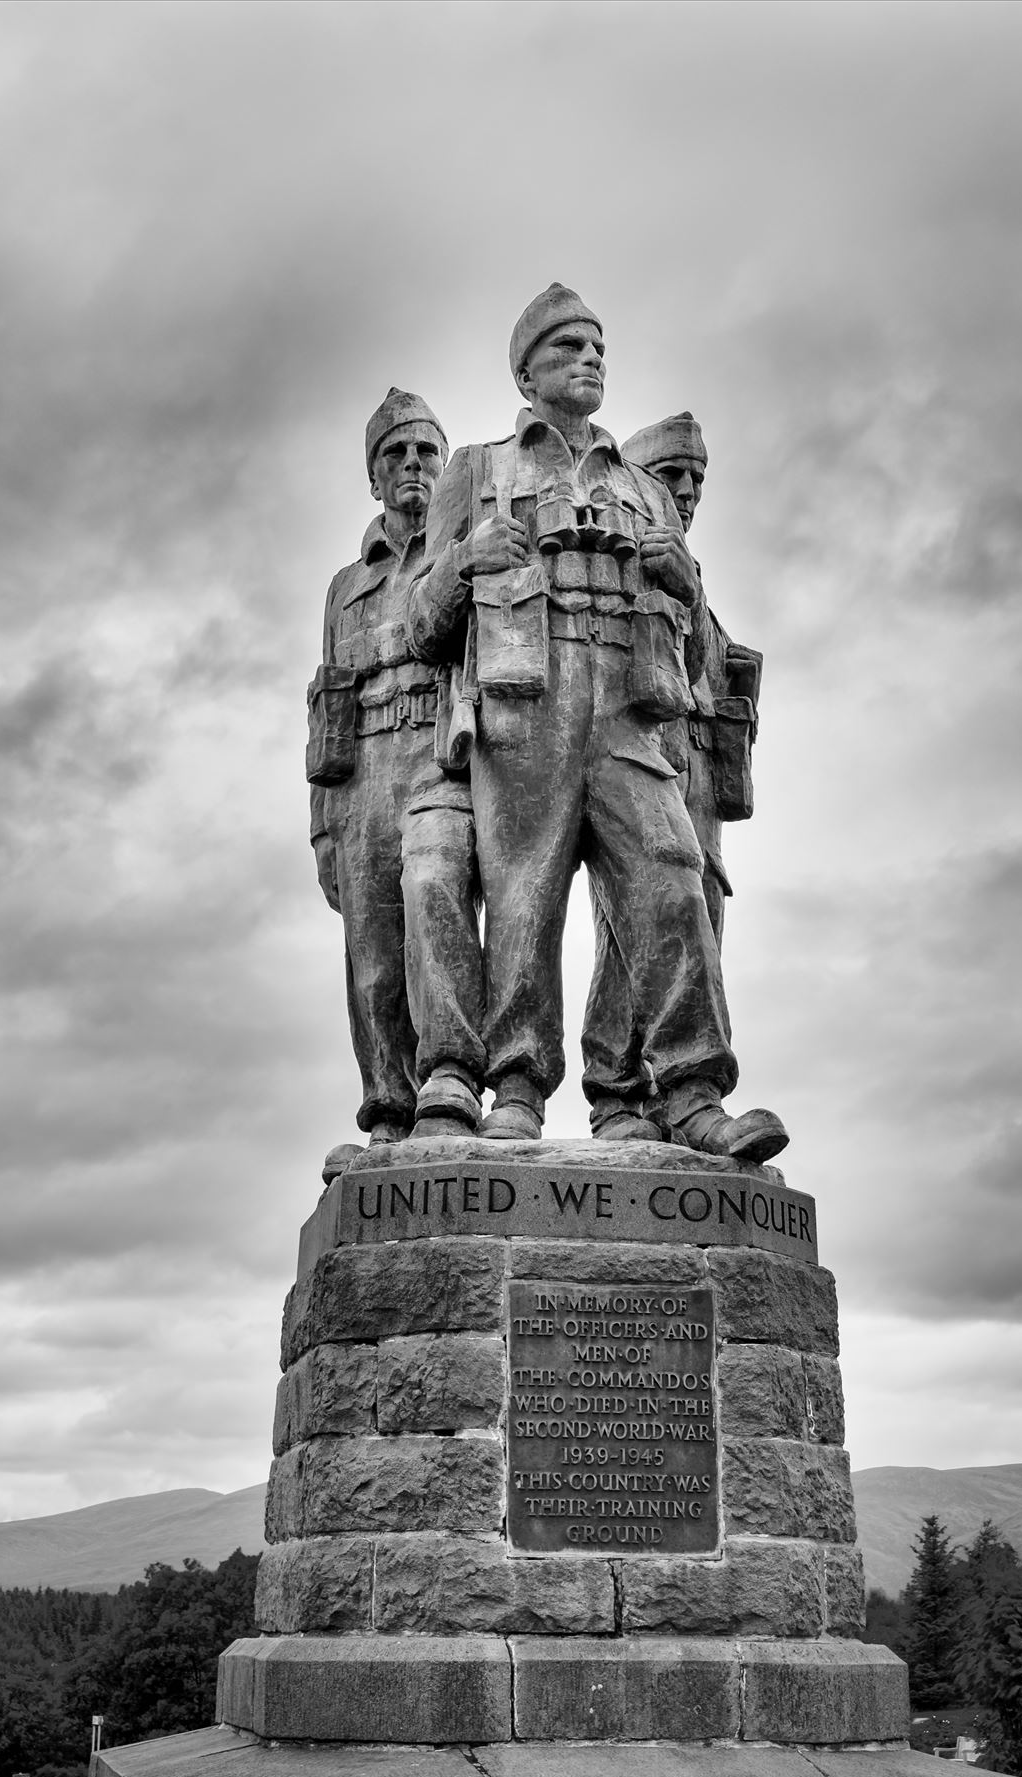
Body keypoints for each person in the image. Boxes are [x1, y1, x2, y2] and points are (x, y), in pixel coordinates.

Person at [408, 287, 786, 1162]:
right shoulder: (477, 467)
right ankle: (514, 1087)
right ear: (525, 370)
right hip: (524, 707)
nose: (590, 360)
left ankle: (692, 1093)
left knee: (669, 872)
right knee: (523, 899)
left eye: (599, 348)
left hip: (623, 712)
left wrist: (683, 583)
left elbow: (696, 669)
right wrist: (467, 561)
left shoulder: (643, 489)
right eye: (569, 346)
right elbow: (426, 629)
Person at [307, 389, 484, 1145]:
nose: (412, 465)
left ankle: (450, 1079)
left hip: (437, 760)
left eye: (425, 454)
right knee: (373, 958)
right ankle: (387, 1112)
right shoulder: (345, 586)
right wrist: (322, 832)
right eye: (395, 455)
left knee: (433, 884)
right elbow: (325, 702)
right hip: (360, 778)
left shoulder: (463, 550)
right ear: (374, 477)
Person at [581, 412, 762, 1139]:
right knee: (630, 934)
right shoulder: (616, 565)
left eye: (696, 480)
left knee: (696, 925)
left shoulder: (697, 592)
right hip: (633, 766)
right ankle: (618, 1091)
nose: (685, 492)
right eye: (670, 476)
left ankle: (663, 1098)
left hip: (698, 796)